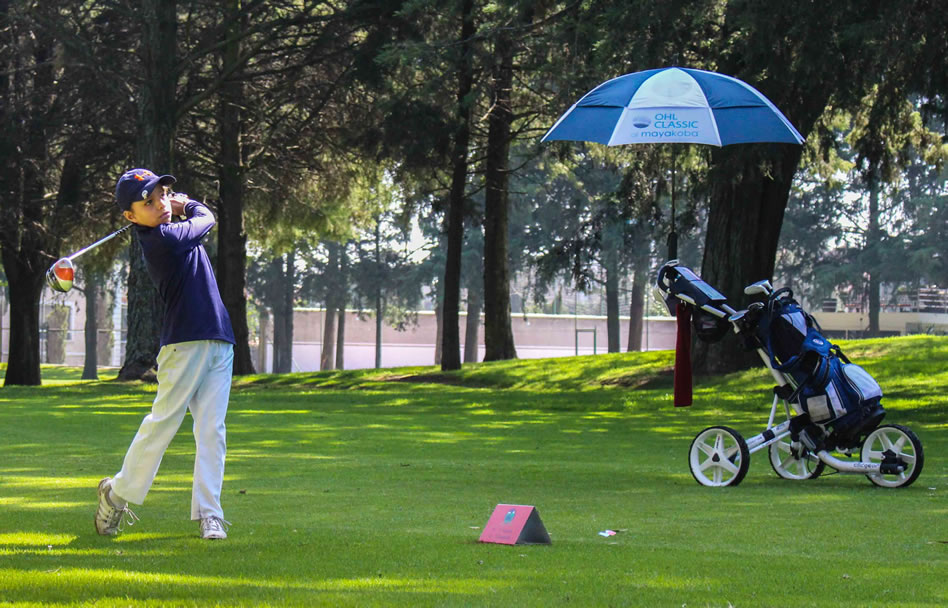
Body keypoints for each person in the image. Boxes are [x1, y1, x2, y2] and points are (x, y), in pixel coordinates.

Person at [95, 168, 236, 540]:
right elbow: (207, 217)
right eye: (149, 202)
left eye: (162, 196)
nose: (161, 205)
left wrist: (174, 204)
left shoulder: (172, 232)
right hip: (183, 344)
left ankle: (211, 514)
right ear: (130, 217)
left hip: (219, 338)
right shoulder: (161, 241)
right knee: (162, 426)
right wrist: (186, 202)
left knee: (212, 431)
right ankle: (116, 493)